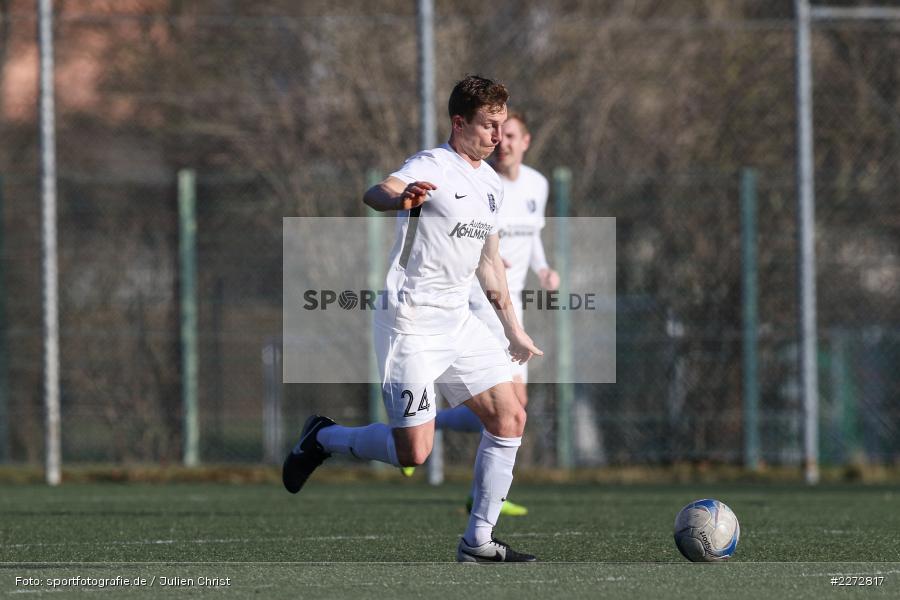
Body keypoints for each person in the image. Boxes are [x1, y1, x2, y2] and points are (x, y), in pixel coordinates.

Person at [282, 75, 543, 563]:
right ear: (459, 121)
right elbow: (377, 190)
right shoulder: (432, 164)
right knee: (413, 454)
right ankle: (323, 437)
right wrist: (398, 200)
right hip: (412, 324)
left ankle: (478, 542)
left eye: (502, 126)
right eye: (488, 125)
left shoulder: (489, 183)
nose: (496, 137)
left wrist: (512, 329)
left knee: (510, 417)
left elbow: (489, 262)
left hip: (459, 321)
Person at [405, 112, 560, 519]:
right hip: (481, 298)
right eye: (497, 133)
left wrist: (543, 267)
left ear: (525, 141)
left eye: (510, 134)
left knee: (510, 408)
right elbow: (473, 241)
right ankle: (485, 494)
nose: (502, 141)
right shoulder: (477, 183)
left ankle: (431, 424)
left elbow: (535, 233)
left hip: (514, 301)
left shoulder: (536, 184)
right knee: (512, 406)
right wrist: (488, 257)